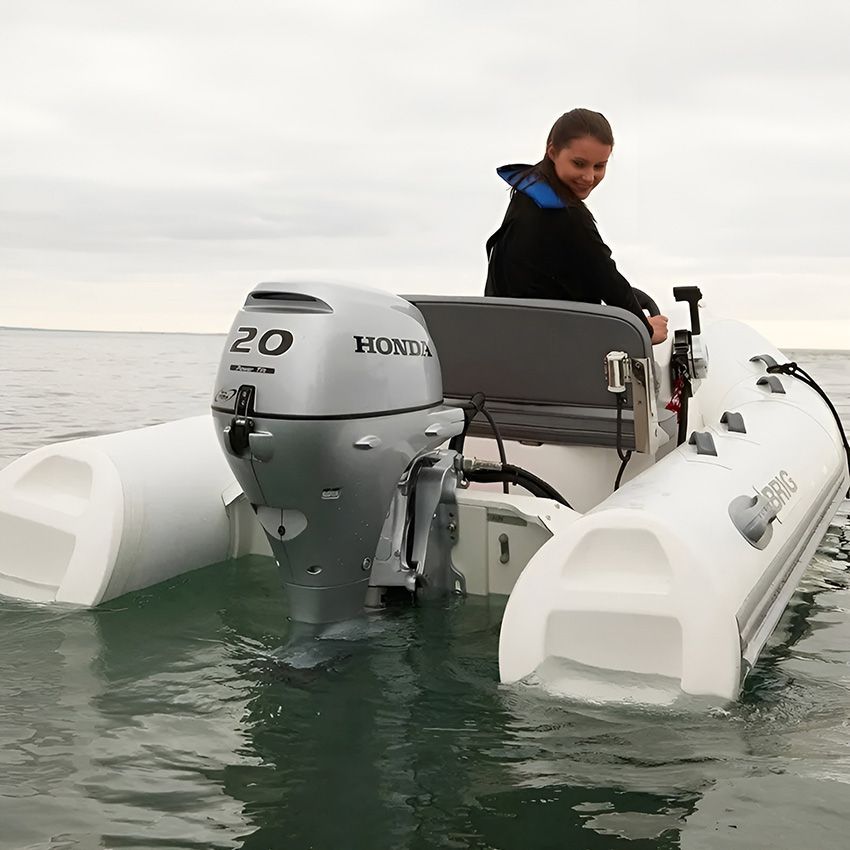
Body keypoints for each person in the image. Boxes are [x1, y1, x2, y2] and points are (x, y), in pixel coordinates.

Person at [484, 108, 669, 345]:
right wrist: (645, 330)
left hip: (509, 339)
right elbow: (606, 277)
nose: (589, 177)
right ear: (553, 152)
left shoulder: (527, 196)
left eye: (599, 166)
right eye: (579, 164)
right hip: (550, 348)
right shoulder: (564, 214)